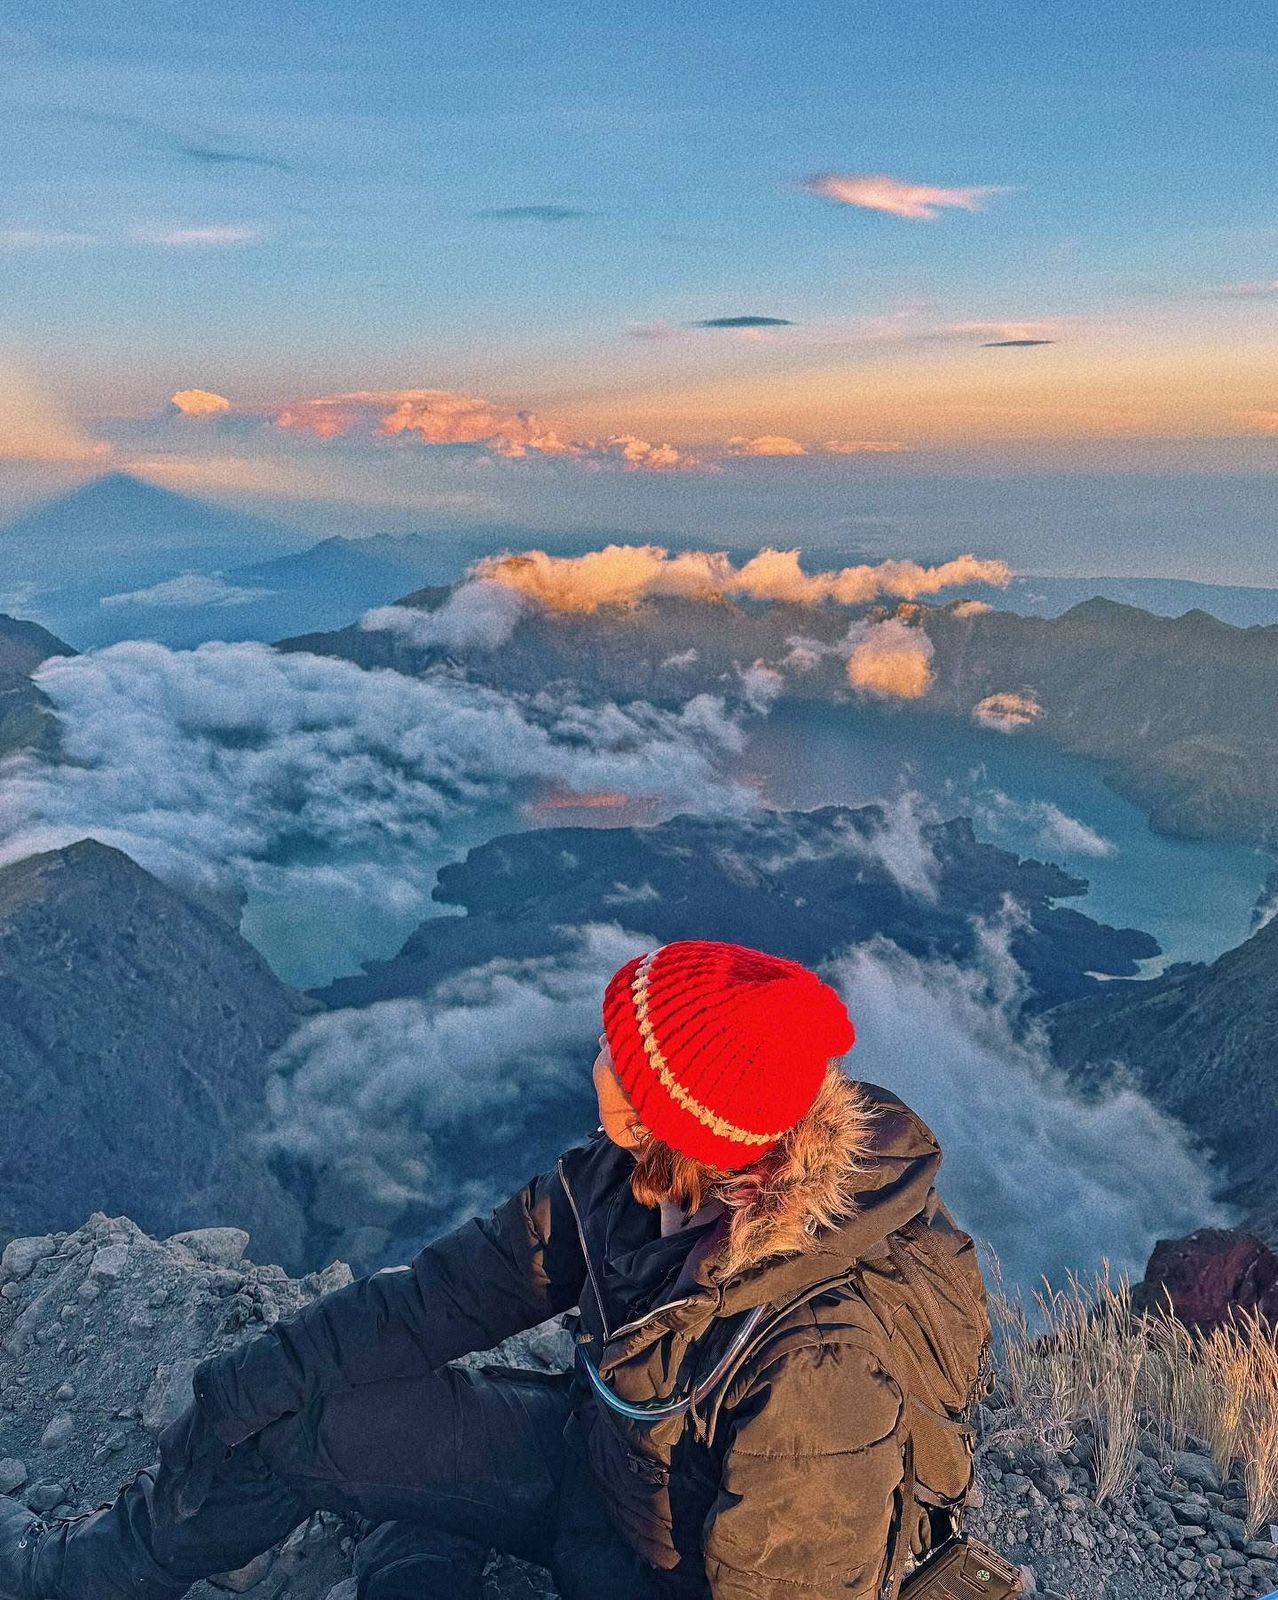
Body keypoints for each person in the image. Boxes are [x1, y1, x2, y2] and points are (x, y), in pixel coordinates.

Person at [0, 939, 991, 1600]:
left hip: (665, 1569)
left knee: (403, 1527)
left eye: (619, 1056)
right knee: (302, 1422)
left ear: (672, 1121)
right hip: (586, 1466)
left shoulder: (823, 1364)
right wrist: (243, 1385)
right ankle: (79, 1575)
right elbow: (445, 1297)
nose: (598, 1057)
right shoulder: (620, 1181)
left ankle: (421, 1546)